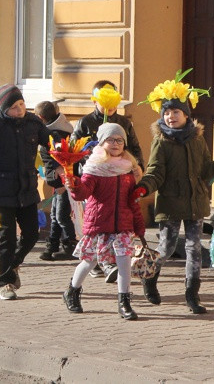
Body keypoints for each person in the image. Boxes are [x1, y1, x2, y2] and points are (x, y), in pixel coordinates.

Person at [132, 77, 214, 314]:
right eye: (167, 113)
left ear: (186, 115)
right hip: (170, 202)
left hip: (195, 201)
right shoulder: (161, 141)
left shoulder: (197, 139)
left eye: (175, 112)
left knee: (194, 247)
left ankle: (192, 294)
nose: (171, 117)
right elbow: (155, 172)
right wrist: (144, 188)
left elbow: (205, 169)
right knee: (167, 247)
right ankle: (150, 277)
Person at [62, 123, 146, 320]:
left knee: (125, 263)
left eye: (119, 140)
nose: (115, 144)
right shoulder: (94, 167)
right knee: (89, 261)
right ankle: (72, 291)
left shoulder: (128, 169)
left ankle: (124, 302)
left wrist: (139, 226)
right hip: (99, 223)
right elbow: (82, 193)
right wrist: (73, 185)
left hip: (123, 224)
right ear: (101, 142)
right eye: (110, 139)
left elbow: (132, 201)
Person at [0, 84, 49, 300]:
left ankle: (13, 266)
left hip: (27, 188)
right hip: (1, 190)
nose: (20, 110)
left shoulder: (33, 122)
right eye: (15, 107)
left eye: (22, 105)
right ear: (5, 109)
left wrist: (68, 152)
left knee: (32, 234)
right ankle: (4, 283)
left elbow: (52, 144)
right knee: (6, 237)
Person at [72, 80, 144, 282]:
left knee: (117, 230)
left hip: (121, 178)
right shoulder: (85, 122)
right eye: (104, 101)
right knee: (100, 225)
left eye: (113, 102)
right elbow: (74, 149)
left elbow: (134, 148)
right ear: (95, 100)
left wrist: (139, 169)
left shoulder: (124, 123)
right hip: (95, 181)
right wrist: (92, 160)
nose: (109, 107)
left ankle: (111, 270)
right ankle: (102, 264)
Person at [35, 100, 79, 261]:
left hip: (64, 180)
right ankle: (52, 246)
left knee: (61, 215)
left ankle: (70, 246)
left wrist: (60, 183)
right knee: (55, 214)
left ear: (40, 117)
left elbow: (61, 162)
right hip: (58, 180)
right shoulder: (60, 129)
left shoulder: (55, 134)